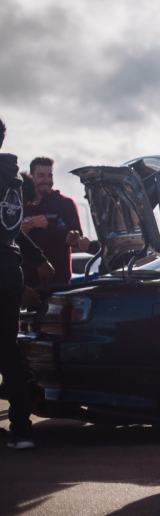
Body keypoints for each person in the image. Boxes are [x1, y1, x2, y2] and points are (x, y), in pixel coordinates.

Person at [1, 119, 54, 449]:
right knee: (8, 350)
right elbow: (12, 227)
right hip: (11, 269)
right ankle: (22, 430)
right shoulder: (14, 180)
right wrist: (38, 258)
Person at [21, 156, 89, 288]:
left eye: (50, 176)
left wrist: (48, 226)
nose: (46, 180)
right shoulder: (23, 203)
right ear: (31, 177)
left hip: (59, 281)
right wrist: (19, 232)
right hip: (28, 285)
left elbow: (78, 241)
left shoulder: (65, 204)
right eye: (41, 176)